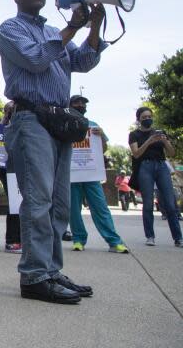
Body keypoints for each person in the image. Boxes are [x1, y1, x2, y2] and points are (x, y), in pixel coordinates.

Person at [0, 0, 107, 304]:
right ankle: (33, 276)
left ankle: (50, 269)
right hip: (30, 118)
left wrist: (94, 26)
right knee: (39, 198)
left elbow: (84, 62)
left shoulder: (51, 31)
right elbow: (35, 59)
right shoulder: (10, 28)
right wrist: (72, 27)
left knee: (59, 203)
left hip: (57, 120)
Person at [66, 95, 129, 254]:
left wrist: (101, 136)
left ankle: (114, 241)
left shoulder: (93, 125)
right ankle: (78, 240)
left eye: (83, 103)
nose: (81, 105)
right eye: (77, 103)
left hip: (91, 175)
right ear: (70, 105)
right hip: (72, 175)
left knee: (100, 207)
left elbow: (103, 149)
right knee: (73, 210)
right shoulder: (65, 124)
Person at [129, 107, 181, 247]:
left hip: (161, 166)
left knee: (170, 203)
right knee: (148, 203)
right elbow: (136, 154)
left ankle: (178, 238)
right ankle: (150, 236)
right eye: (144, 117)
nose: (147, 119)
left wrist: (164, 141)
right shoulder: (134, 135)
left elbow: (171, 153)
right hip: (145, 167)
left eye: (149, 116)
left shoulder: (160, 132)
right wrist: (149, 141)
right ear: (139, 119)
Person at [0, 101, 23, 253]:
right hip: (7, 168)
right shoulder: (2, 128)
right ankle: (13, 240)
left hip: (20, 166)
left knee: (21, 203)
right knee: (14, 203)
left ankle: (21, 238)